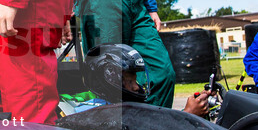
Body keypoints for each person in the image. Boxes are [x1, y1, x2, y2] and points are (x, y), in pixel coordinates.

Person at [80, 43, 212, 116]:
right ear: (109, 80)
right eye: (130, 82)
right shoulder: (96, 114)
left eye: (135, 80)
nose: (137, 87)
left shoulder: (123, 109)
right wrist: (189, 114)